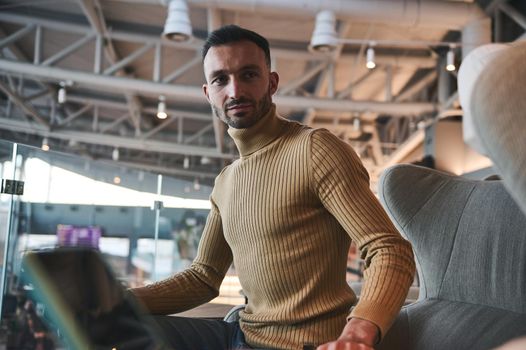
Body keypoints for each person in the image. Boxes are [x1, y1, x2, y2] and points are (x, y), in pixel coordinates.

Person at [131, 24, 415, 350]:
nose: (235, 90)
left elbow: (388, 249)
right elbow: (203, 277)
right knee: (108, 326)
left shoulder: (314, 149)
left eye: (249, 75)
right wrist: (114, 301)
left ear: (272, 82)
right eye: (221, 79)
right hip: (238, 334)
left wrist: (358, 333)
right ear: (209, 93)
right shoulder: (226, 180)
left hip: (305, 344)